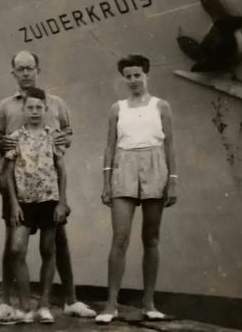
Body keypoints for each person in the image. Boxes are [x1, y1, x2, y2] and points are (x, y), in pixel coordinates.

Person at [0, 51, 96, 321]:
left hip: (49, 186)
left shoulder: (57, 103)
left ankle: (70, 299)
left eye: (30, 68)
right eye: (20, 69)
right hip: (14, 181)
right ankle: (6, 302)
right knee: (13, 244)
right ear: (13, 73)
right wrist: (9, 144)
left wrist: (57, 144)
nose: (26, 73)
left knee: (59, 242)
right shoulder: (5, 106)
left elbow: (68, 135)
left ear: (38, 69)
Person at [96, 54, 178, 323]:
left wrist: (173, 180)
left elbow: (169, 146)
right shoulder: (116, 108)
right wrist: (107, 182)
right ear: (124, 78)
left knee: (151, 238)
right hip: (124, 167)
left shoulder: (161, 106)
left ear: (147, 75)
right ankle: (111, 305)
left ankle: (149, 303)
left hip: (155, 165)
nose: (133, 80)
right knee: (120, 238)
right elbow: (110, 146)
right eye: (128, 76)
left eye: (137, 75)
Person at [2, 88, 67, 324]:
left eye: (39, 107)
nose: (35, 111)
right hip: (24, 202)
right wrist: (13, 204)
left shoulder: (53, 136)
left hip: (49, 199)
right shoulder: (15, 137)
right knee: (17, 249)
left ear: (45, 109)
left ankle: (44, 306)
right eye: (30, 107)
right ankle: (25, 307)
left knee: (48, 251)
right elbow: (7, 173)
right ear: (23, 109)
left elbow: (61, 169)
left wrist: (62, 201)